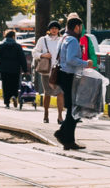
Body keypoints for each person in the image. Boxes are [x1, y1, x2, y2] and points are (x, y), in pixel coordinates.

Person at [53, 16, 89, 151]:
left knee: (72, 108)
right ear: (76, 27)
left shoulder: (63, 38)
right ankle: (63, 134)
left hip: (63, 75)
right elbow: (71, 60)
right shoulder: (73, 40)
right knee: (75, 108)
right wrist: (86, 63)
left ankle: (68, 139)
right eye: (81, 27)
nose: (81, 30)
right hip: (69, 76)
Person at [32, 21, 64, 123]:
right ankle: (46, 113)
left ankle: (60, 116)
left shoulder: (62, 40)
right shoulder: (43, 39)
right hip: (47, 71)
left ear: (59, 30)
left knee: (60, 93)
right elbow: (35, 52)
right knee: (47, 93)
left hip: (59, 70)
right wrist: (43, 55)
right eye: (52, 28)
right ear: (49, 29)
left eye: (56, 28)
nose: (54, 30)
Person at [0, 29, 28, 108]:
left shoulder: (1, 46)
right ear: (13, 36)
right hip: (15, 69)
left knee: (5, 85)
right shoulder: (17, 46)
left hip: (4, 69)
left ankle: (7, 101)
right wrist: (25, 70)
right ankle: (14, 96)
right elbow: (22, 58)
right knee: (14, 84)